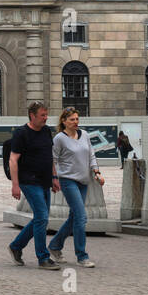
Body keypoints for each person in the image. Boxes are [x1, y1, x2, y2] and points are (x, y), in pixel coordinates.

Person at [7, 100, 60, 270]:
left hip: (44, 180)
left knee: (40, 218)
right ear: (32, 116)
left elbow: (49, 157)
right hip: (28, 181)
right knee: (42, 217)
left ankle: (16, 246)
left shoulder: (46, 131)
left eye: (46, 115)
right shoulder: (21, 133)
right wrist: (15, 185)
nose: (46, 118)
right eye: (42, 115)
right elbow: (13, 160)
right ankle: (43, 258)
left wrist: (54, 177)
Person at [49, 107, 100, 268]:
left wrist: (96, 171)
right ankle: (82, 256)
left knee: (74, 218)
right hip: (67, 180)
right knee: (81, 216)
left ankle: (55, 246)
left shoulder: (84, 134)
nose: (76, 122)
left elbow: (91, 153)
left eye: (77, 119)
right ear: (64, 121)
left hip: (83, 180)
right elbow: (53, 159)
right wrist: (54, 178)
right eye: (72, 119)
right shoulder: (59, 138)